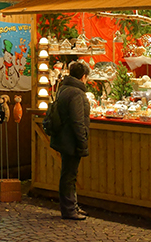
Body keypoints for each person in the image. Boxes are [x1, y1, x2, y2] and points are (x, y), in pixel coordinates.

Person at [48, 61, 91, 220]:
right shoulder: (76, 94)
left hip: (64, 137)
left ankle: (72, 206)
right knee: (69, 175)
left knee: (69, 174)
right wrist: (83, 142)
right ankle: (69, 210)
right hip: (71, 140)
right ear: (84, 76)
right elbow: (77, 121)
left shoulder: (63, 89)